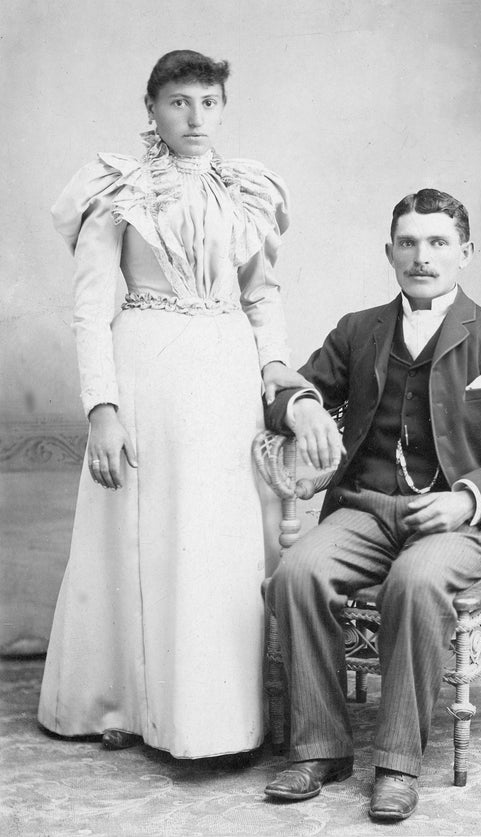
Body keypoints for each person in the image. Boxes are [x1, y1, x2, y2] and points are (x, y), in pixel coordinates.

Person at [38, 50, 306, 759]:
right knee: (138, 531)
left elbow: (262, 293)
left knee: (217, 536)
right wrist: (102, 406)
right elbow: (92, 310)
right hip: (146, 369)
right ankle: (123, 699)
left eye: (209, 102)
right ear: (152, 109)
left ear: (223, 108)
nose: (195, 117)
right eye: (179, 101)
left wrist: (273, 362)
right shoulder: (118, 190)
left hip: (225, 372)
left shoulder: (244, 191)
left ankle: (217, 716)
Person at [263, 188, 481, 821]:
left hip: (454, 521)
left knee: (417, 582)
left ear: (465, 252)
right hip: (367, 508)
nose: (423, 256)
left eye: (439, 242)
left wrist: (466, 500)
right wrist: (303, 405)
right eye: (409, 243)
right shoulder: (359, 329)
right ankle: (319, 748)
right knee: (297, 574)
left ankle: (397, 762)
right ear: (390, 251)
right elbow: (288, 393)